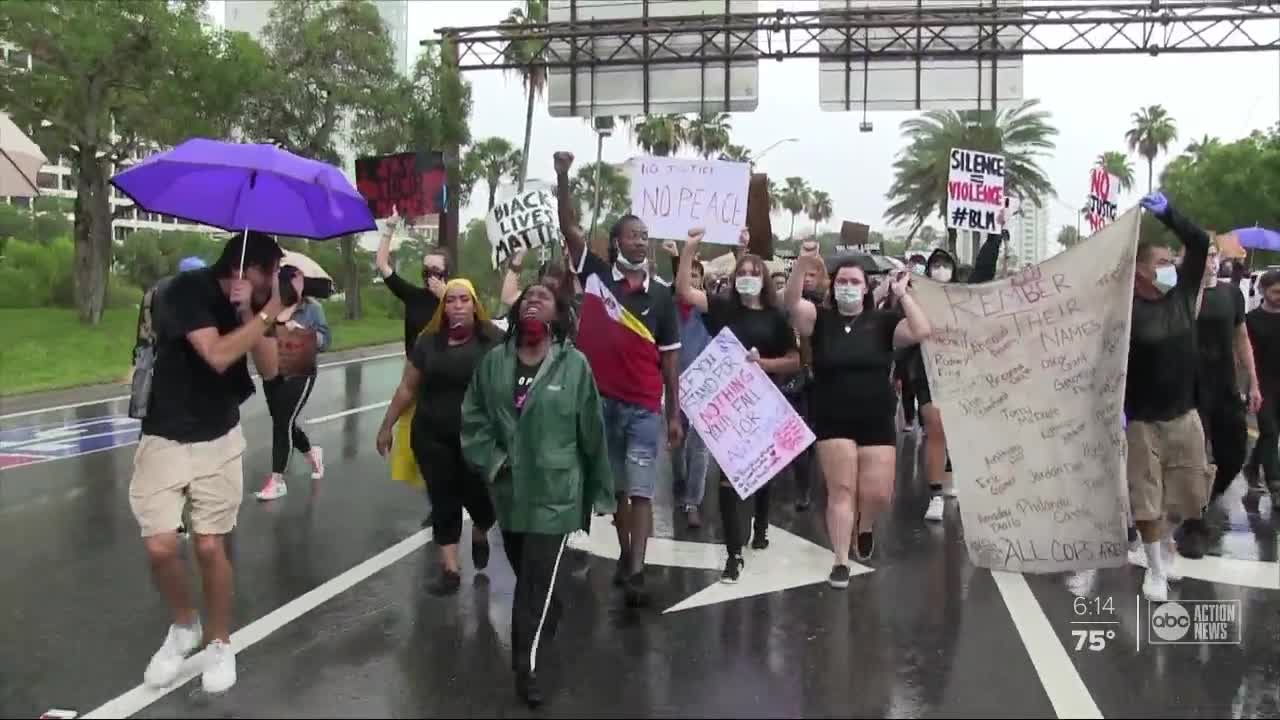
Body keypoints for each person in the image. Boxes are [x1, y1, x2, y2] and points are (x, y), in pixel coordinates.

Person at [131, 231, 288, 694]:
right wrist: (265, 313)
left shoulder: (253, 306)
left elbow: (272, 367)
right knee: (160, 546)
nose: (277, 284)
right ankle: (185, 626)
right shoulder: (184, 291)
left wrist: (251, 314)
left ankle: (219, 641)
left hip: (219, 436)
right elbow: (218, 355)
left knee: (208, 546)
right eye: (273, 274)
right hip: (165, 434)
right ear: (247, 269)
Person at [460, 283, 614, 709]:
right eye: (527, 296)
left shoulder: (574, 365)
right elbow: (473, 418)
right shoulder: (493, 364)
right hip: (509, 493)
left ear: (557, 316)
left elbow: (592, 432)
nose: (532, 300)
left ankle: (523, 668)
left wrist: (601, 492)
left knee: (530, 587)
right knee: (530, 574)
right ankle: (553, 605)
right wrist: (493, 460)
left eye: (543, 298)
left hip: (557, 493)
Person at [554, 150, 683, 607]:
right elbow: (569, 228)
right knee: (619, 495)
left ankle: (636, 569)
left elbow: (670, 363)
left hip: (644, 408)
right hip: (600, 405)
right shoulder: (593, 275)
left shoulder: (663, 297)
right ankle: (627, 552)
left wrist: (673, 415)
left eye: (645, 237)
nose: (640, 242)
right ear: (613, 243)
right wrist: (563, 176)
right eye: (632, 236)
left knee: (642, 490)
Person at [785, 248, 931, 587]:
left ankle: (864, 527)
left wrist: (902, 295)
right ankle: (840, 560)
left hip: (876, 416)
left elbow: (921, 330)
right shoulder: (819, 319)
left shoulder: (882, 322)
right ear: (833, 286)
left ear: (866, 288)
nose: (848, 286)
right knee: (842, 488)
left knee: (878, 493)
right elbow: (791, 304)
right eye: (842, 281)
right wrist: (803, 267)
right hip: (833, 415)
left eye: (855, 282)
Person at [676, 227, 800, 582]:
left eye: (753, 273)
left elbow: (794, 360)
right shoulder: (723, 307)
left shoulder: (777, 318)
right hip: (729, 409)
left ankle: (760, 525)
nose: (747, 278)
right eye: (741, 273)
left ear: (764, 279)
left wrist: (764, 366)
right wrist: (689, 250)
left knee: (762, 473)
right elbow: (685, 291)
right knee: (731, 477)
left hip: (766, 405)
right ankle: (733, 554)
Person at [376, 279, 500, 595]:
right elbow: (407, 387)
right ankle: (450, 570)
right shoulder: (428, 342)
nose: (457, 306)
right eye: (451, 300)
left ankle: (481, 531)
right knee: (443, 498)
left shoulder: (493, 341)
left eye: (463, 299)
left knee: (480, 499)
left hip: (476, 439)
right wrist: (387, 425)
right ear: (443, 307)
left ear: (475, 304)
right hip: (431, 434)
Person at [1125, 191, 1212, 601]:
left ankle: (1163, 544)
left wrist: (1170, 214)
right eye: (1160, 263)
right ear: (1140, 271)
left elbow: (1199, 244)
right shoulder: (1123, 309)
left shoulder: (1182, 295)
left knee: (1190, 496)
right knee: (1146, 500)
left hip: (1184, 415)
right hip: (1142, 420)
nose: (1170, 268)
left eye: (1170, 262)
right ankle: (1155, 569)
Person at [1174, 244, 1261, 555]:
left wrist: (1253, 382)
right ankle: (1193, 522)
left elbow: (1241, 337)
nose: (1209, 261)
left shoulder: (1231, 295)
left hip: (1225, 386)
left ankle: (1203, 501)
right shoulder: (1177, 295)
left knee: (1235, 453)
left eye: (1212, 255)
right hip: (1188, 388)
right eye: (1201, 256)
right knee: (1195, 457)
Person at [911, 231, 1002, 522]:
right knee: (936, 427)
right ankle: (935, 494)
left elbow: (983, 272)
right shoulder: (915, 296)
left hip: (958, 370)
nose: (940, 269)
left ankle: (948, 479)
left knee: (954, 429)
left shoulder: (962, 296)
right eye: (935, 264)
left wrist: (995, 236)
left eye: (945, 264)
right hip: (926, 370)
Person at [256, 271, 330, 502]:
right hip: (273, 370)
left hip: (300, 370)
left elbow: (325, 340)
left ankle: (277, 480)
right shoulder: (270, 306)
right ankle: (311, 453)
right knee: (282, 421)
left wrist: (302, 332)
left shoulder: (311, 309)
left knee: (283, 423)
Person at [661, 239, 713, 529]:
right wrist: (678, 256)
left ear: (702, 282)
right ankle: (679, 483)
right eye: (687, 275)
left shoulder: (710, 310)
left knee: (700, 448)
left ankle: (693, 501)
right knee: (677, 443)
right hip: (673, 387)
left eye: (697, 275)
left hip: (704, 387)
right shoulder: (668, 306)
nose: (691, 279)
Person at [375, 207, 451, 356]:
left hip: (445, 371)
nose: (430, 273)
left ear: (446, 273)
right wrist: (390, 227)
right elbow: (382, 264)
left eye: (435, 268)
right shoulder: (413, 296)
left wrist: (447, 298)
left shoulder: (458, 300)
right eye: (426, 268)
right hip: (414, 370)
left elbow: (473, 327)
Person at [1244, 269, 1280, 510]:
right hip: (1261, 384)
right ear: (1263, 291)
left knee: (1272, 433)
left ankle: (1252, 465)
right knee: (1269, 432)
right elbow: (1243, 356)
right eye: (1276, 291)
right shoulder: (1251, 320)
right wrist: (1247, 387)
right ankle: (1276, 485)